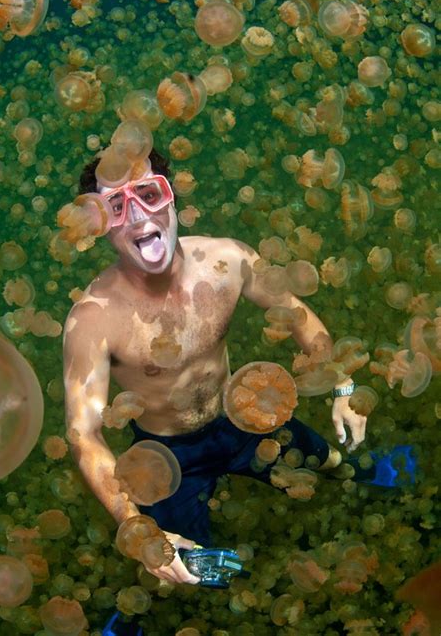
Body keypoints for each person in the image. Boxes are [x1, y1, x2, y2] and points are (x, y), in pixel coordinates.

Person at [63, 148, 368, 587]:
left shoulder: (227, 261)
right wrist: (134, 527)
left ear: (171, 198)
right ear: (99, 227)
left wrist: (342, 384)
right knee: (181, 570)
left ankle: (363, 471)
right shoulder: (92, 319)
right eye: (115, 206)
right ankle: (132, 618)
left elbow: (294, 311)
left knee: (328, 458)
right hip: (165, 457)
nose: (137, 215)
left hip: (243, 415)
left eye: (148, 194)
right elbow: (83, 432)